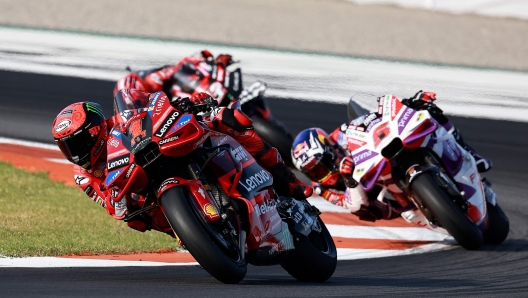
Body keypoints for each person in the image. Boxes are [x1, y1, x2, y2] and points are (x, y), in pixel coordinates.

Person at [52, 89, 312, 232]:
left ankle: (287, 181)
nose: (74, 153)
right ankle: (191, 232)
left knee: (231, 119)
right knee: (138, 220)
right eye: (66, 147)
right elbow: (111, 206)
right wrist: (117, 201)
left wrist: (186, 104)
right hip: (144, 189)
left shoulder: (119, 121)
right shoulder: (82, 174)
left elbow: (152, 110)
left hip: (165, 148)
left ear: (96, 129)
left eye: (77, 143)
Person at [291, 91, 492, 225]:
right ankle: (438, 213)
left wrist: (404, 107)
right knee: (392, 212)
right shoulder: (322, 187)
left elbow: (370, 124)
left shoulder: (341, 136)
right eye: (312, 171)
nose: (320, 174)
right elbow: (352, 206)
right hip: (378, 192)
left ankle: (469, 152)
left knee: (428, 113)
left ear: (329, 151)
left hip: (383, 160)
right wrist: (350, 180)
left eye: (319, 167)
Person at [113, 49, 239, 104]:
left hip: (186, 97)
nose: (138, 102)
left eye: (137, 98)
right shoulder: (134, 113)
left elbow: (178, 68)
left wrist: (203, 60)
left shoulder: (153, 79)